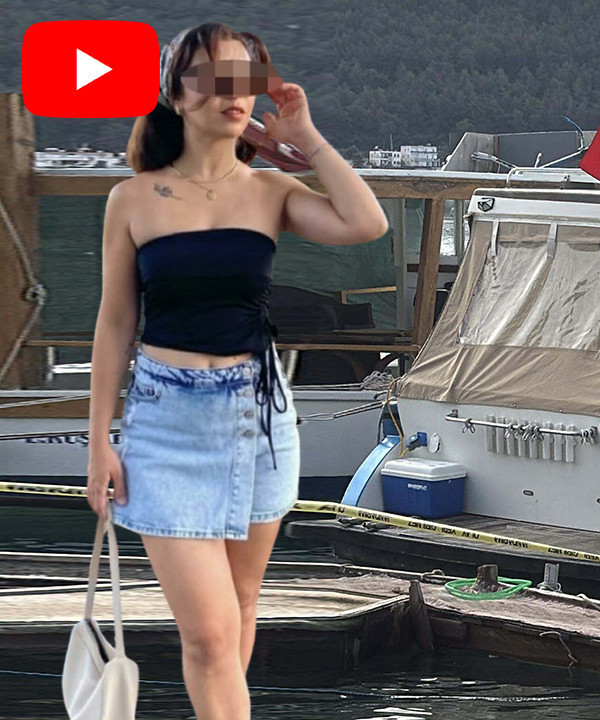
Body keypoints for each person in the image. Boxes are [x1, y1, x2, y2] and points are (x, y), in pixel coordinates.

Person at [85, 22, 387, 720]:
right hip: (165, 424)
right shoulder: (132, 199)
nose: (231, 93)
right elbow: (115, 322)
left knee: (243, 610)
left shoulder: (270, 190)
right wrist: (101, 438)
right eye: (212, 78)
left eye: (243, 79)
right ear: (175, 93)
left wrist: (305, 135)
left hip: (259, 418)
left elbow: (365, 222)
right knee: (212, 636)